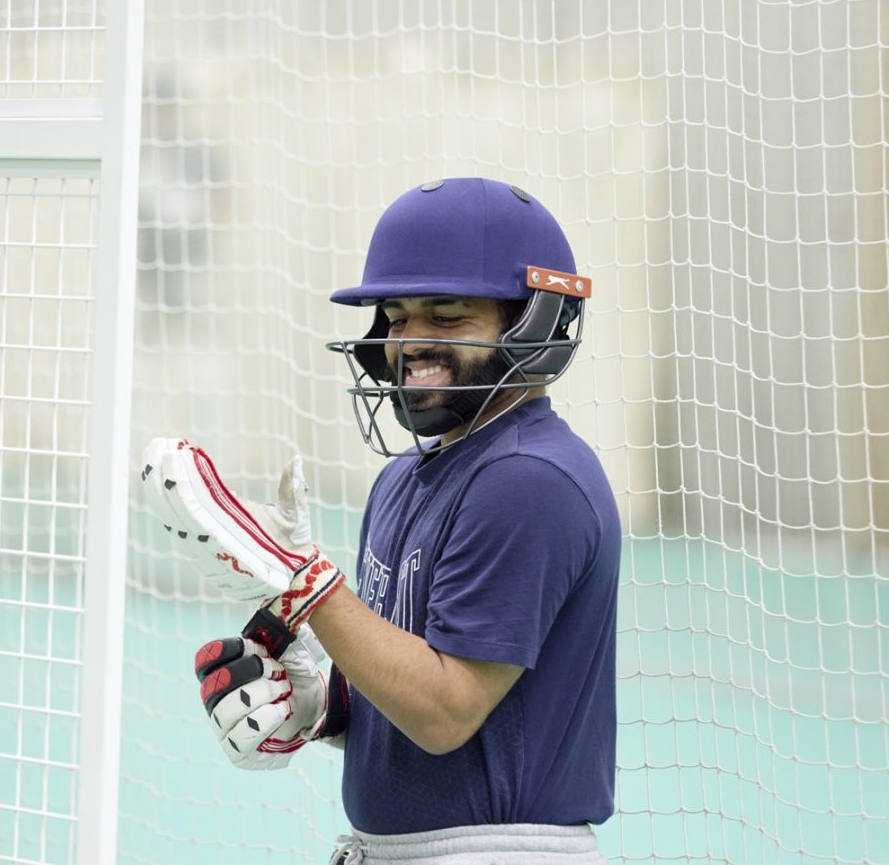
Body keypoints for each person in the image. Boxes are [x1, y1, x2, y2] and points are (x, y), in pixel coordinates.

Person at [142, 177, 620, 864]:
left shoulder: (530, 478)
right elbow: (413, 678)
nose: (408, 342)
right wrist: (324, 707)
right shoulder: (403, 479)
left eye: (446, 318)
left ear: (536, 325)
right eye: (396, 318)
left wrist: (303, 583)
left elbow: (445, 711)